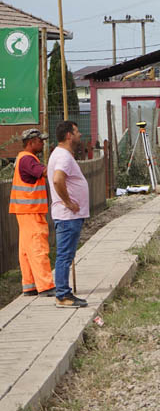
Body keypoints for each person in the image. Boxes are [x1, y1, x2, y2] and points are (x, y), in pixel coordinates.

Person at [47, 121, 89, 308]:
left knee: (66, 254)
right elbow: (57, 180)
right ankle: (63, 295)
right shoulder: (63, 156)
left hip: (68, 216)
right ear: (69, 135)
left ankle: (64, 293)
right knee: (64, 255)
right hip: (67, 215)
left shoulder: (60, 154)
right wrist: (68, 202)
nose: (80, 135)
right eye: (77, 132)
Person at [9, 129, 55, 297]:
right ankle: (46, 286)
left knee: (26, 250)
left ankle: (30, 285)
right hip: (31, 211)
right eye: (40, 141)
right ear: (30, 143)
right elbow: (44, 172)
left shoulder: (23, 158)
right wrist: (59, 162)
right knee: (38, 247)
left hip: (25, 211)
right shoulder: (28, 159)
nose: (42, 144)